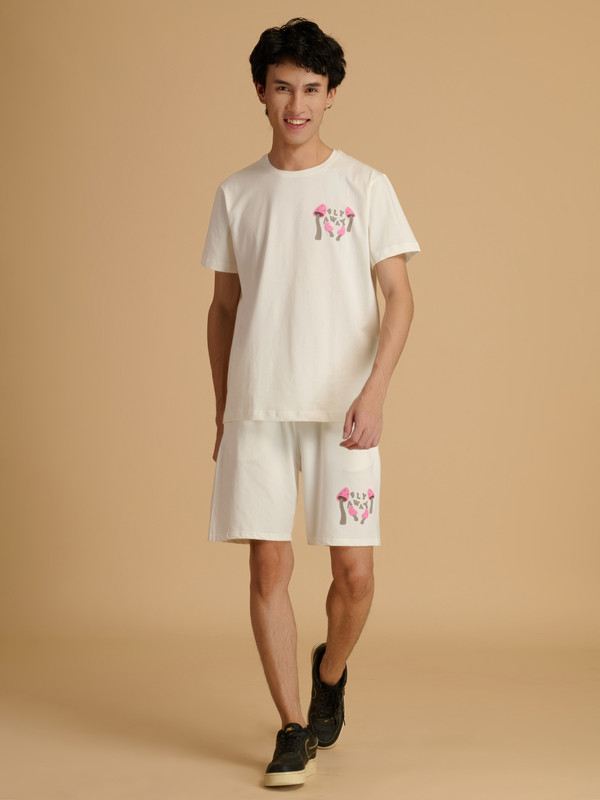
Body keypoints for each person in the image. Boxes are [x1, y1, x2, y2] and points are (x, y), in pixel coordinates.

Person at [201, 17, 421, 788]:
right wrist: (223, 411)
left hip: (343, 411)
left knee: (353, 576)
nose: (296, 104)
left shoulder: (366, 187)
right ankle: (293, 727)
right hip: (259, 408)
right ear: (261, 92)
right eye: (282, 88)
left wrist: (375, 391)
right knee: (268, 564)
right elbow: (223, 309)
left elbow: (399, 298)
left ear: (331, 96)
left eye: (312, 89)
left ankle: (330, 673)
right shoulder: (237, 193)